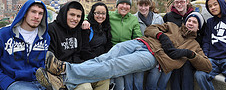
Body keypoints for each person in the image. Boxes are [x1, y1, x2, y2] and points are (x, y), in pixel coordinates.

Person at [36, 12, 212, 90]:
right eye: (189, 20)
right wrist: (161, 35)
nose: (190, 23)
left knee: (114, 65)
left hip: (153, 57)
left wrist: (190, 54)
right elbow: (150, 29)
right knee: (104, 59)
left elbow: (207, 66)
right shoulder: (172, 25)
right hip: (140, 42)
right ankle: (64, 81)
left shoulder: (194, 45)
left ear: (199, 27)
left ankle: (64, 71)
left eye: (195, 22)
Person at [48, 1, 109, 90]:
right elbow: (50, 56)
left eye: (78, 16)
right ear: (64, 14)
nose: (75, 19)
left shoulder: (79, 29)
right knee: (85, 87)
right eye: (72, 15)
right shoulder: (52, 29)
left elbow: (83, 52)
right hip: (62, 72)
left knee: (104, 79)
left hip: (79, 68)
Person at [0, 0, 50, 90]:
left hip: (39, 82)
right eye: (33, 12)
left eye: (40, 13)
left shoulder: (45, 37)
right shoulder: (4, 35)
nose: (36, 16)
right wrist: (6, 83)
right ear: (25, 13)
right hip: (14, 82)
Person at [195, 0, 226, 90]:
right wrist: (205, 55)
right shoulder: (210, 22)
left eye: (215, 4)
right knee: (199, 75)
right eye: (210, 6)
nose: (213, 8)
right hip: (212, 59)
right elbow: (206, 41)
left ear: (222, 4)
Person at [134, 0, 171, 90]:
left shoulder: (158, 19)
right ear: (137, 5)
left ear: (150, 5)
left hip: (155, 53)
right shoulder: (133, 19)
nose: (143, 8)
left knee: (154, 77)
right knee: (138, 79)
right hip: (139, 53)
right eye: (140, 5)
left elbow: (164, 36)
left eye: (145, 5)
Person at [163, 0, 196, 90]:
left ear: (187, 2)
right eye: (177, 2)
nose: (179, 4)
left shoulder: (193, 16)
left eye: (182, 1)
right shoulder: (168, 16)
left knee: (187, 67)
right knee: (175, 69)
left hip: (189, 50)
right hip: (174, 51)